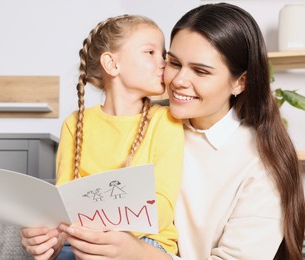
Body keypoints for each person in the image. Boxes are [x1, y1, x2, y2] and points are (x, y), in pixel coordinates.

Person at [52, 3, 305, 260]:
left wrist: (141, 255)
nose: (178, 80)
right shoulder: (144, 120)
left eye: (200, 71)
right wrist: (49, 234)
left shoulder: (261, 165)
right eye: (173, 62)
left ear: (240, 82)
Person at [20, 14, 184, 259]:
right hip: (81, 242)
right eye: (150, 52)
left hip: (147, 243)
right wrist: (51, 238)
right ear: (112, 64)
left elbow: (161, 206)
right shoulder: (75, 123)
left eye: (163, 54)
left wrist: (102, 232)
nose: (164, 63)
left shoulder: (166, 121)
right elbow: (63, 201)